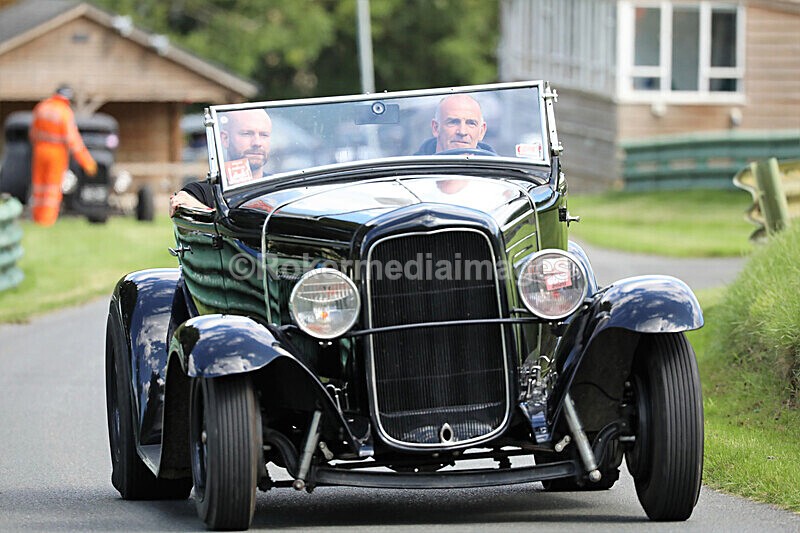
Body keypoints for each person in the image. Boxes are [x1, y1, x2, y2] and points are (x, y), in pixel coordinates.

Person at [170, 108, 272, 215]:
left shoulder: (283, 189)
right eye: (247, 133)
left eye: (264, 135)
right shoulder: (201, 194)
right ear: (225, 139)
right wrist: (197, 207)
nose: (257, 142)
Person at [28, 84, 97, 226]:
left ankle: (37, 218)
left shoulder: (42, 107)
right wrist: (87, 163)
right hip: (56, 152)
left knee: (39, 185)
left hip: (40, 150)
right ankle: (47, 220)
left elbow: (33, 132)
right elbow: (73, 141)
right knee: (52, 187)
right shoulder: (64, 112)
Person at [414, 94, 493, 155]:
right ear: (435, 128)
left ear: (482, 131)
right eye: (453, 122)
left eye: (471, 123)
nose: (462, 132)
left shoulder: (498, 172)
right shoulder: (410, 171)